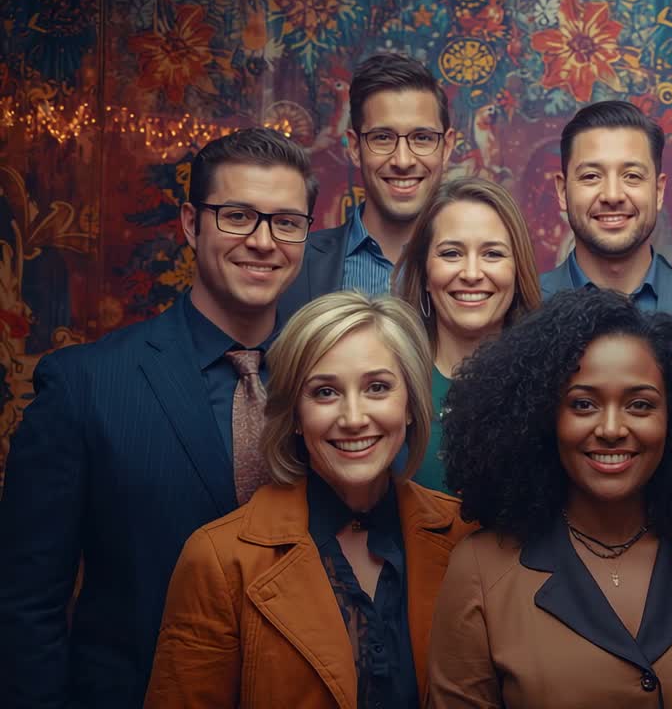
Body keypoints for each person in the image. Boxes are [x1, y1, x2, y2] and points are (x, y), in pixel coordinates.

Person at [0, 128, 315, 707]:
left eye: (286, 222)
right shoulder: (86, 385)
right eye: (238, 216)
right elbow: (26, 605)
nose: (264, 241)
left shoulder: (323, 384)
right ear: (192, 224)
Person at [427, 289, 672, 707]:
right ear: (542, 417)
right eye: (583, 404)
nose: (612, 428)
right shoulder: (480, 567)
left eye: (640, 405)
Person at [145, 291, 472, 707]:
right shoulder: (220, 560)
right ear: (296, 416)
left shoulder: (464, 535)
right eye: (324, 393)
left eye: (377, 387)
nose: (353, 418)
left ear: (410, 405)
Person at [391, 176, 541, 492]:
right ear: (425, 273)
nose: (472, 274)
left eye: (493, 254)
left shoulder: (548, 385)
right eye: (451, 254)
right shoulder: (389, 381)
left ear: (517, 269)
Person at [281, 52, 457, 315]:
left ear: (446, 147)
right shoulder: (296, 264)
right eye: (382, 137)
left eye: (422, 137)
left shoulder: (478, 271)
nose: (403, 160)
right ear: (354, 147)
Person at [540, 101, 672, 322]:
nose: (612, 196)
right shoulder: (522, 308)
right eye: (591, 176)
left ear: (658, 191)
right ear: (562, 191)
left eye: (632, 176)